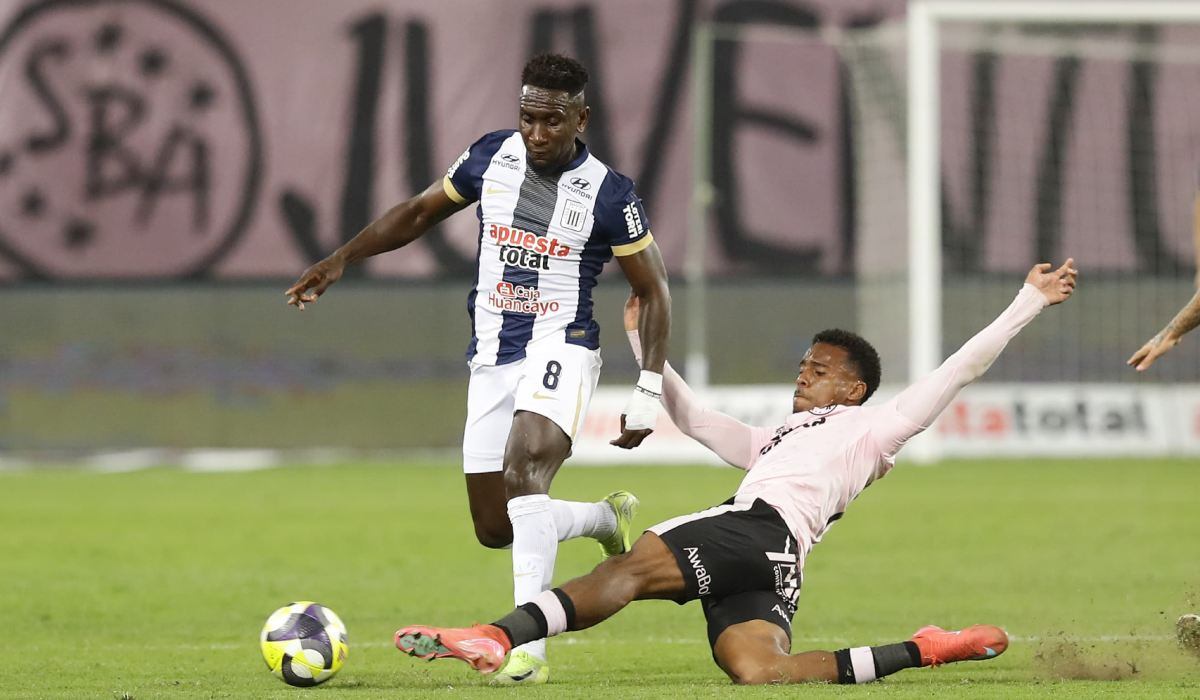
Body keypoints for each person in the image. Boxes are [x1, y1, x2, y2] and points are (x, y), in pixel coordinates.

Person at [393, 259, 1078, 686]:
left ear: (853, 389)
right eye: (804, 362)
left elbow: (960, 368)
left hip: (754, 528)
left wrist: (1028, 300)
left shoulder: (877, 427)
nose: (803, 373)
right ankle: (925, 650)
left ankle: (496, 634)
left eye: (820, 368)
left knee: (623, 572)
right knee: (764, 672)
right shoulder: (779, 436)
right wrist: (642, 345)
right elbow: (694, 420)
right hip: (782, 561)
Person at [284, 54, 671, 684]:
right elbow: (416, 212)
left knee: (526, 471)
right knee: (496, 526)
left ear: (581, 119)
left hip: (563, 345)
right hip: (492, 354)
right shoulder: (492, 157)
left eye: (552, 121)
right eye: (527, 118)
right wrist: (341, 259)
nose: (537, 133)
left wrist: (647, 390)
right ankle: (604, 518)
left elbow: (653, 290)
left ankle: (526, 649)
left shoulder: (610, 193)